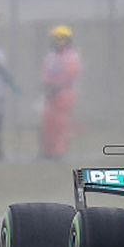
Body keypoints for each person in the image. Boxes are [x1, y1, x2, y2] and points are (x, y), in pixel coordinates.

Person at [40, 25, 81, 159]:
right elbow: (45, 74)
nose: (58, 42)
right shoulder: (50, 57)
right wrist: (46, 87)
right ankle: (48, 151)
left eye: (61, 39)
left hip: (65, 94)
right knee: (48, 123)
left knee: (61, 124)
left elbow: (71, 75)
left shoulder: (72, 57)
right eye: (55, 39)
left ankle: (59, 152)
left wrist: (57, 87)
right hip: (50, 94)